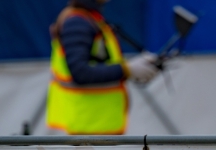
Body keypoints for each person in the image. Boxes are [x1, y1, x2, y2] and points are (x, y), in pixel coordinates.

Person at [47, 0, 160, 135]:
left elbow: (101, 61)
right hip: (87, 126)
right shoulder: (77, 23)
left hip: (95, 126)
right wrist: (126, 69)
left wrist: (132, 68)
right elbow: (80, 73)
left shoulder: (89, 18)